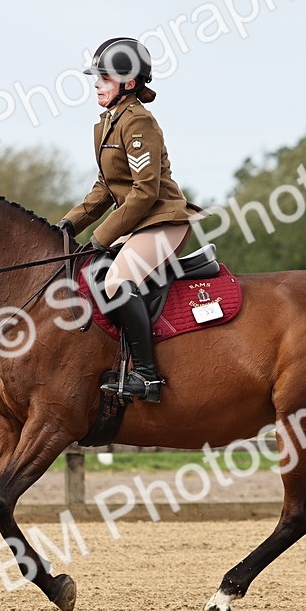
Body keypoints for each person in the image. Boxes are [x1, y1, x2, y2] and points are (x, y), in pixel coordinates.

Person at [57, 37, 204, 403]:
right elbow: (104, 189)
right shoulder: (106, 125)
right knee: (92, 272)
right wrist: (67, 226)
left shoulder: (139, 123)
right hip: (140, 224)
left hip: (164, 220)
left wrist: (100, 237)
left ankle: (148, 377)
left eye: (104, 78)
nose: (96, 84)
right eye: (97, 77)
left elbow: (144, 193)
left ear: (130, 83)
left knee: (116, 280)